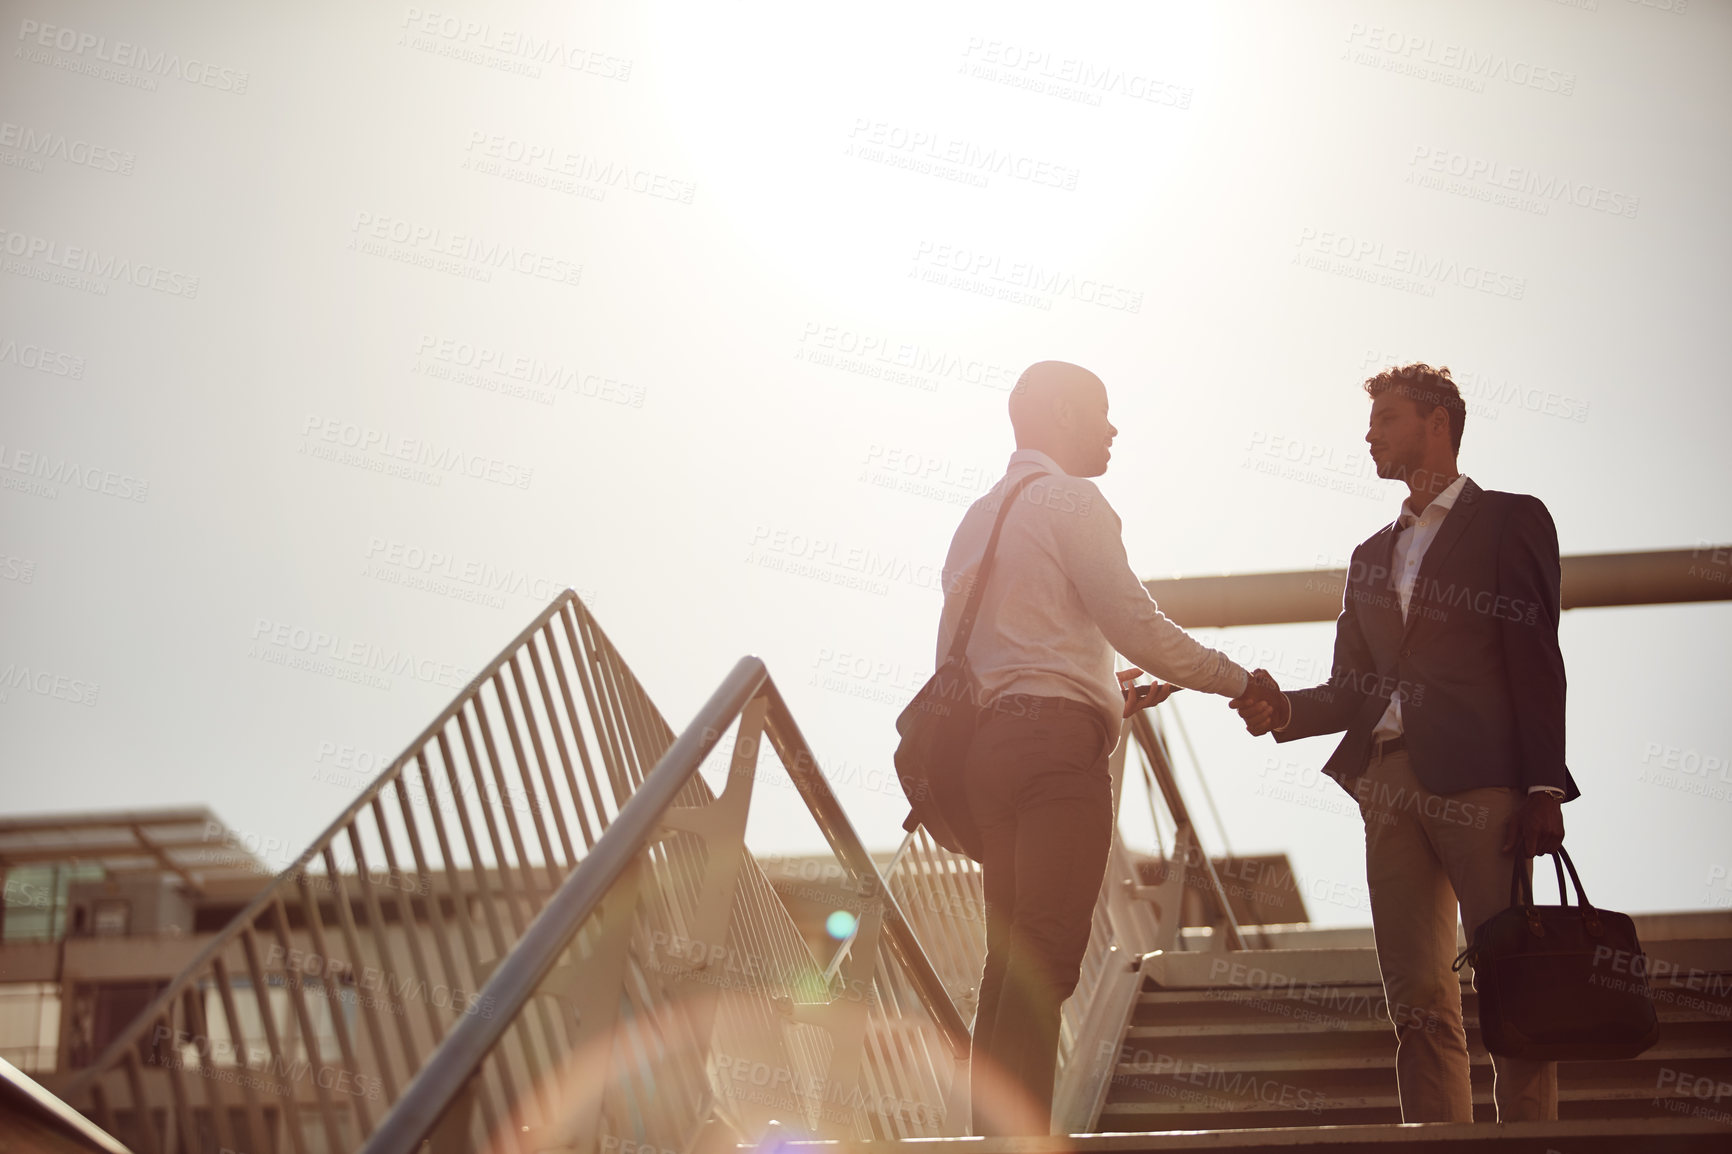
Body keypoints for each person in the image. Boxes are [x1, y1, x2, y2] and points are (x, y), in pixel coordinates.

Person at [936, 359, 1285, 1135]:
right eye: (1100, 411)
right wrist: (1236, 680)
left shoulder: (980, 515)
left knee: (1009, 961)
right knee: (1051, 955)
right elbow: (1135, 622)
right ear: (1060, 412)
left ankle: (987, 1135)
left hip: (990, 752)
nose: (1113, 428)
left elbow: (988, 654)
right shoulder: (1072, 498)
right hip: (1054, 755)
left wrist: (1110, 696)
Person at [1230, 362, 1578, 1123]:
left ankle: (1530, 1143)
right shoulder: (1367, 557)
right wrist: (1279, 708)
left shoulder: (1512, 518)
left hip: (1483, 782)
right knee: (1416, 998)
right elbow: (1353, 687)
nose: (1369, 435)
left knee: (1512, 977)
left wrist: (1543, 785)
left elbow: (1534, 654)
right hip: (1385, 787)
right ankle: (1437, 1141)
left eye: (1386, 418)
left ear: (1437, 423)